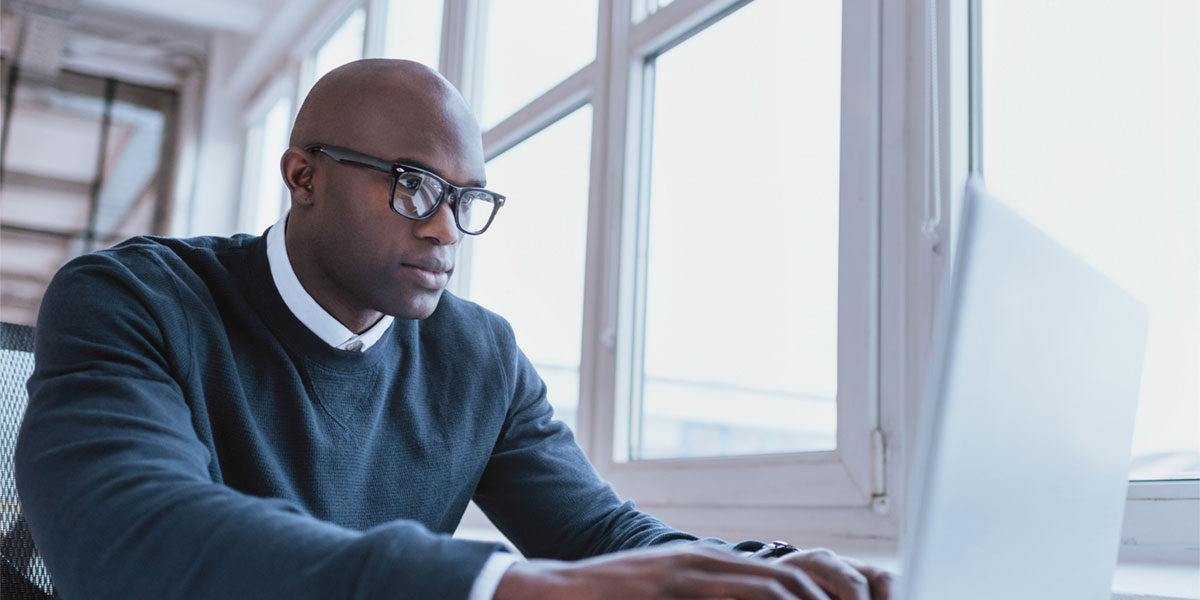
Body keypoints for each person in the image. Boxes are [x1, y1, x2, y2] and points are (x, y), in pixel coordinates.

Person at [15, 59, 892, 599]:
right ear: (303, 176)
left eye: (467, 200)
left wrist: (767, 570)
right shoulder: (133, 298)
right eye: (413, 185)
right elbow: (126, 536)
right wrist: (502, 585)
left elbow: (598, 534)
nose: (445, 230)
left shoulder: (480, 357)